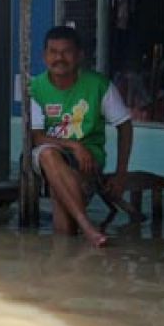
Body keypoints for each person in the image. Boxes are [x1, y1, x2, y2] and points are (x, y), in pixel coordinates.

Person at [30, 25, 134, 248]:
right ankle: (87, 226)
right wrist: (73, 145)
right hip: (49, 151)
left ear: (80, 55)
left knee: (61, 196)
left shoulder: (99, 85)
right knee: (48, 155)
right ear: (44, 55)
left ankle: (66, 263)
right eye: (53, 52)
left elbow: (125, 126)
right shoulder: (35, 87)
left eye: (66, 52)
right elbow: (37, 137)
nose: (59, 58)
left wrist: (121, 174)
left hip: (89, 158)